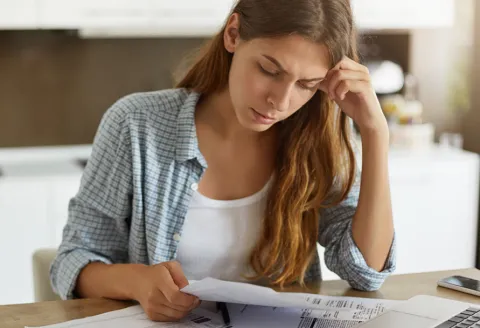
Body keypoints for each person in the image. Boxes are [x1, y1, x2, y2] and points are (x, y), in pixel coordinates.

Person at [50, 0, 396, 322]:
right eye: (269, 70)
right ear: (233, 34)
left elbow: (365, 272)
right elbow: (72, 260)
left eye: (307, 84)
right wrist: (137, 281)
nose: (280, 100)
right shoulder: (136, 125)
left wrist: (375, 132)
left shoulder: (319, 142)